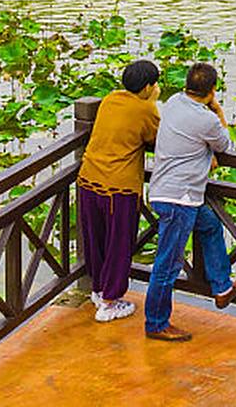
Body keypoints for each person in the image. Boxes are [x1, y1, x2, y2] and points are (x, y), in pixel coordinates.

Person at [144, 62, 236, 341]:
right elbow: (225, 145)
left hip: (165, 190)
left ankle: (222, 286)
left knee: (210, 225)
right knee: (167, 264)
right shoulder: (207, 120)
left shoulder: (174, 102)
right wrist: (218, 111)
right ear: (212, 90)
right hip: (180, 199)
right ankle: (156, 323)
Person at [76, 58, 162, 323]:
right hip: (118, 188)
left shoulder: (111, 99)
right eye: (155, 84)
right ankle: (111, 302)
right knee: (119, 243)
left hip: (88, 179)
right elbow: (157, 138)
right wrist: (152, 103)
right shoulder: (145, 110)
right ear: (148, 86)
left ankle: (99, 290)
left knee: (96, 238)